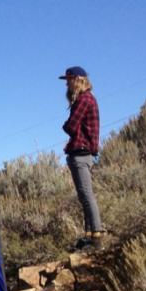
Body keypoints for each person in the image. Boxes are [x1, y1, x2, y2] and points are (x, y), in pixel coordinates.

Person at [60, 65, 105, 249]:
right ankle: (89, 235)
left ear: (78, 80)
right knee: (84, 195)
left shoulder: (84, 99)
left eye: (69, 80)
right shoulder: (86, 99)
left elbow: (70, 126)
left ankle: (96, 237)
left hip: (81, 152)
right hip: (82, 152)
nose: (67, 85)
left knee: (86, 195)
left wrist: (65, 126)